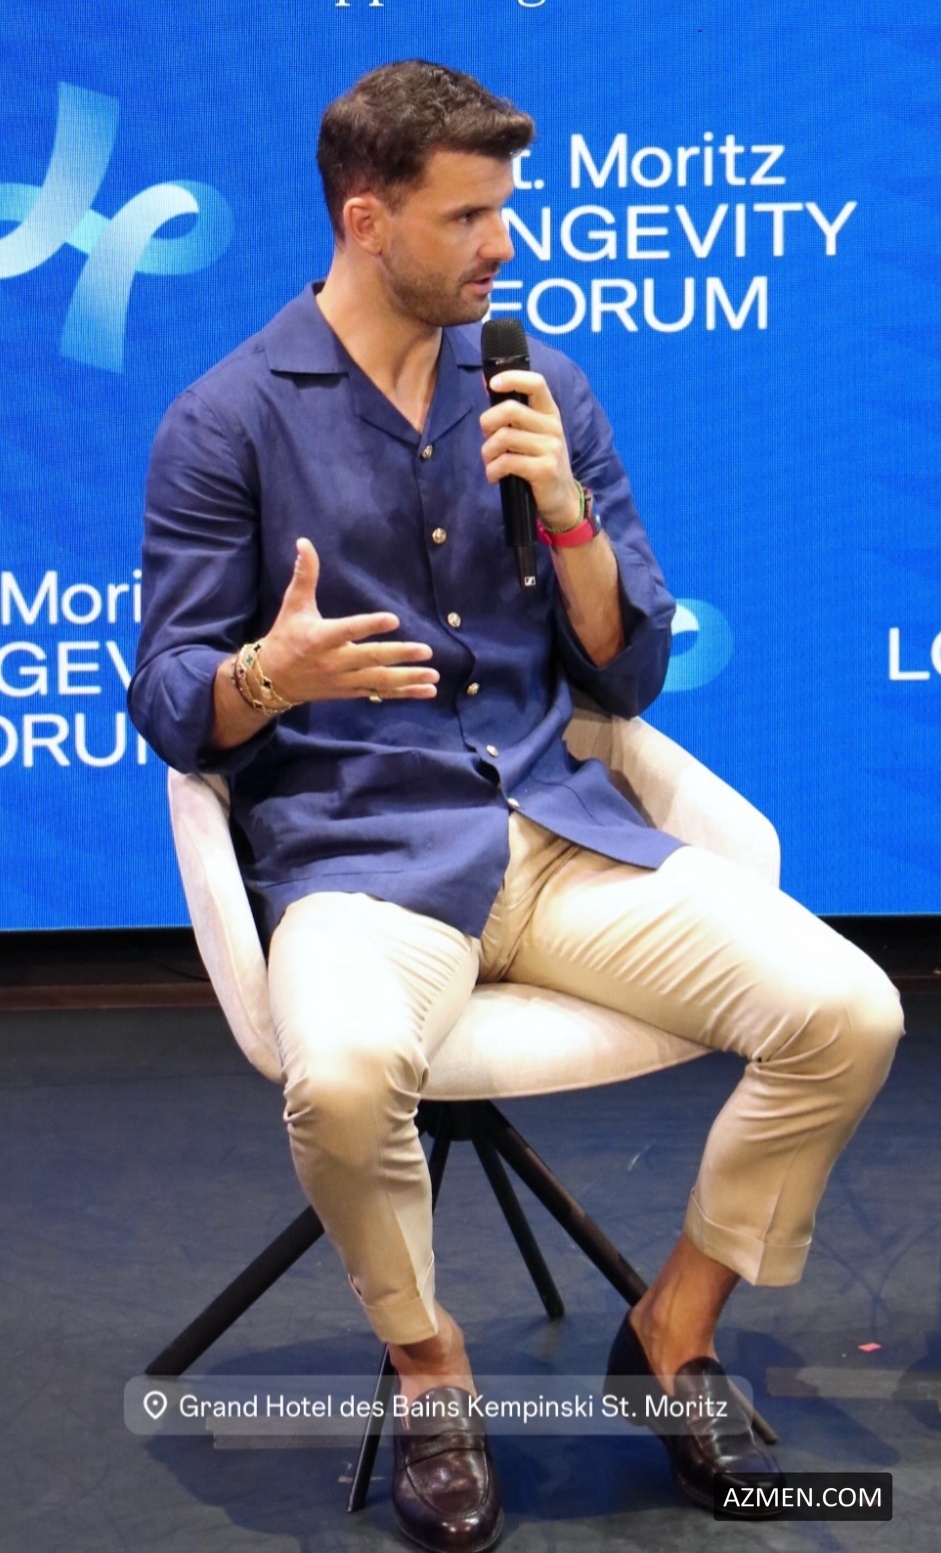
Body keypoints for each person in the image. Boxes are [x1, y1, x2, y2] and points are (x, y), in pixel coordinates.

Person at [129, 60, 904, 1553]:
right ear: (367, 219)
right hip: (360, 861)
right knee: (341, 1080)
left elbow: (628, 668)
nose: (504, 246)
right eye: (469, 216)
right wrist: (271, 675)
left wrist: (564, 510)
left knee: (847, 1012)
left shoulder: (536, 387)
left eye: (505, 210)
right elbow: (169, 699)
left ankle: (671, 1331)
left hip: (560, 833)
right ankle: (432, 1372)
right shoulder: (225, 420)